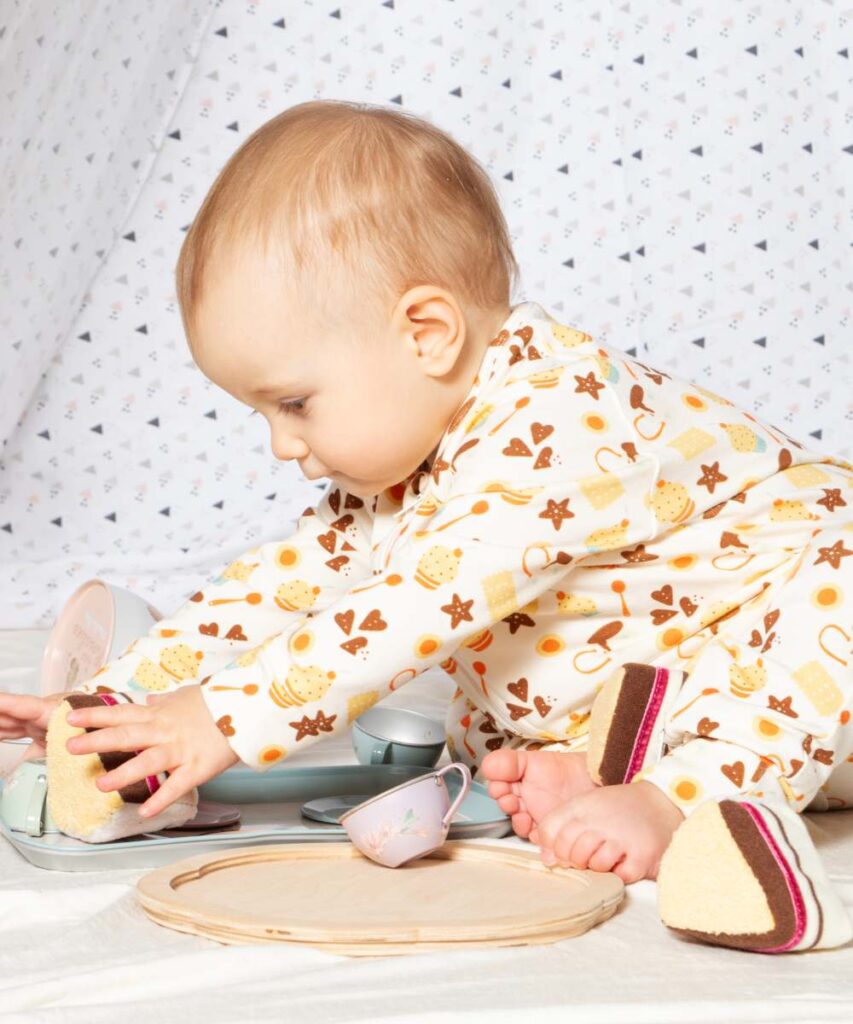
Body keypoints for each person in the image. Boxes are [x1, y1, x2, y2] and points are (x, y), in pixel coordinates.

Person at [1, 100, 851, 899]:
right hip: (706, 683)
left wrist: (225, 718)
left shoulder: (556, 418)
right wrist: (113, 705)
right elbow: (272, 589)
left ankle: (676, 800)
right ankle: (606, 764)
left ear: (427, 335)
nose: (281, 444)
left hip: (810, 664)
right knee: (489, 721)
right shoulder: (404, 459)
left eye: (293, 404)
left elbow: (417, 609)